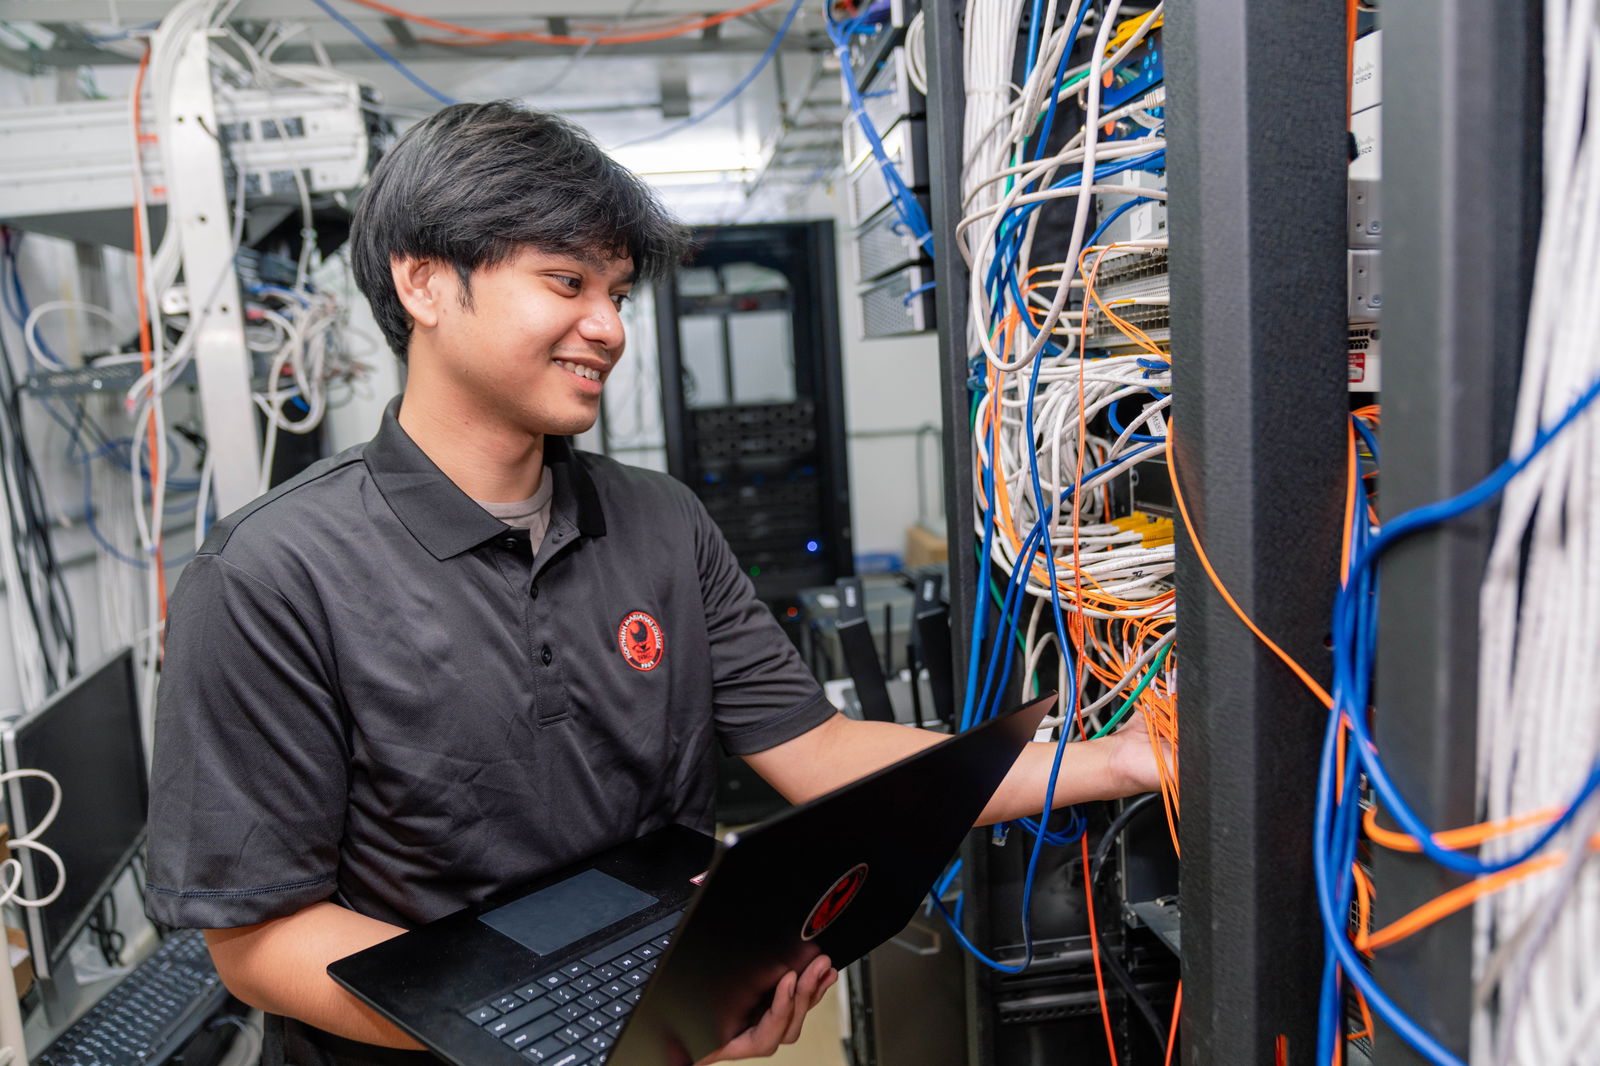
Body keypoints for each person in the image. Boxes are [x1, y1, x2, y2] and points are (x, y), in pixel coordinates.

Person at [144, 101, 1164, 1066]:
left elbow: (819, 749)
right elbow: (258, 937)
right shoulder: (267, 575)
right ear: (423, 284)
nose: (609, 327)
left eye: (617, 292)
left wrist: (1121, 761)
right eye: (564, 281)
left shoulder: (658, 521)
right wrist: (532, 1040)